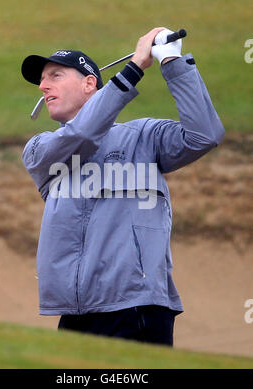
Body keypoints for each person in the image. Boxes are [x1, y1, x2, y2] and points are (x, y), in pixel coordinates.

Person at [21, 27, 224, 347]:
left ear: (90, 84)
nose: (43, 86)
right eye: (42, 80)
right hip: (74, 315)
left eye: (55, 75)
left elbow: (204, 135)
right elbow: (82, 136)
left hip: (139, 308)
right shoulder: (40, 150)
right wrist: (132, 70)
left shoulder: (144, 137)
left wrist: (171, 61)